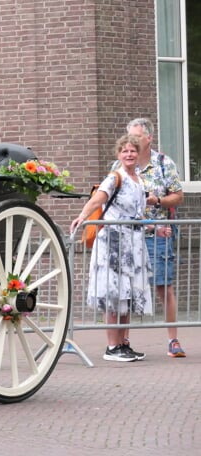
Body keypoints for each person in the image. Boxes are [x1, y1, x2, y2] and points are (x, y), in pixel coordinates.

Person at [71, 134, 152, 362]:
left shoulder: (139, 180)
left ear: (138, 154)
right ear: (118, 154)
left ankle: (124, 343)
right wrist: (82, 217)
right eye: (124, 151)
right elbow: (98, 200)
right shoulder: (115, 177)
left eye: (133, 151)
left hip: (133, 243)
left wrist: (154, 228)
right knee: (113, 293)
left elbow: (137, 213)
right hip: (113, 243)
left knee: (127, 294)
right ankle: (111, 347)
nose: (129, 155)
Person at [119, 118, 185, 358]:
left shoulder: (163, 163)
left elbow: (178, 196)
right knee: (126, 288)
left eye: (137, 137)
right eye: (129, 137)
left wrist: (156, 200)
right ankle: (122, 341)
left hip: (158, 234)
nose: (132, 142)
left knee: (163, 286)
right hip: (129, 234)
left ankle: (173, 340)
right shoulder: (122, 164)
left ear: (149, 138)